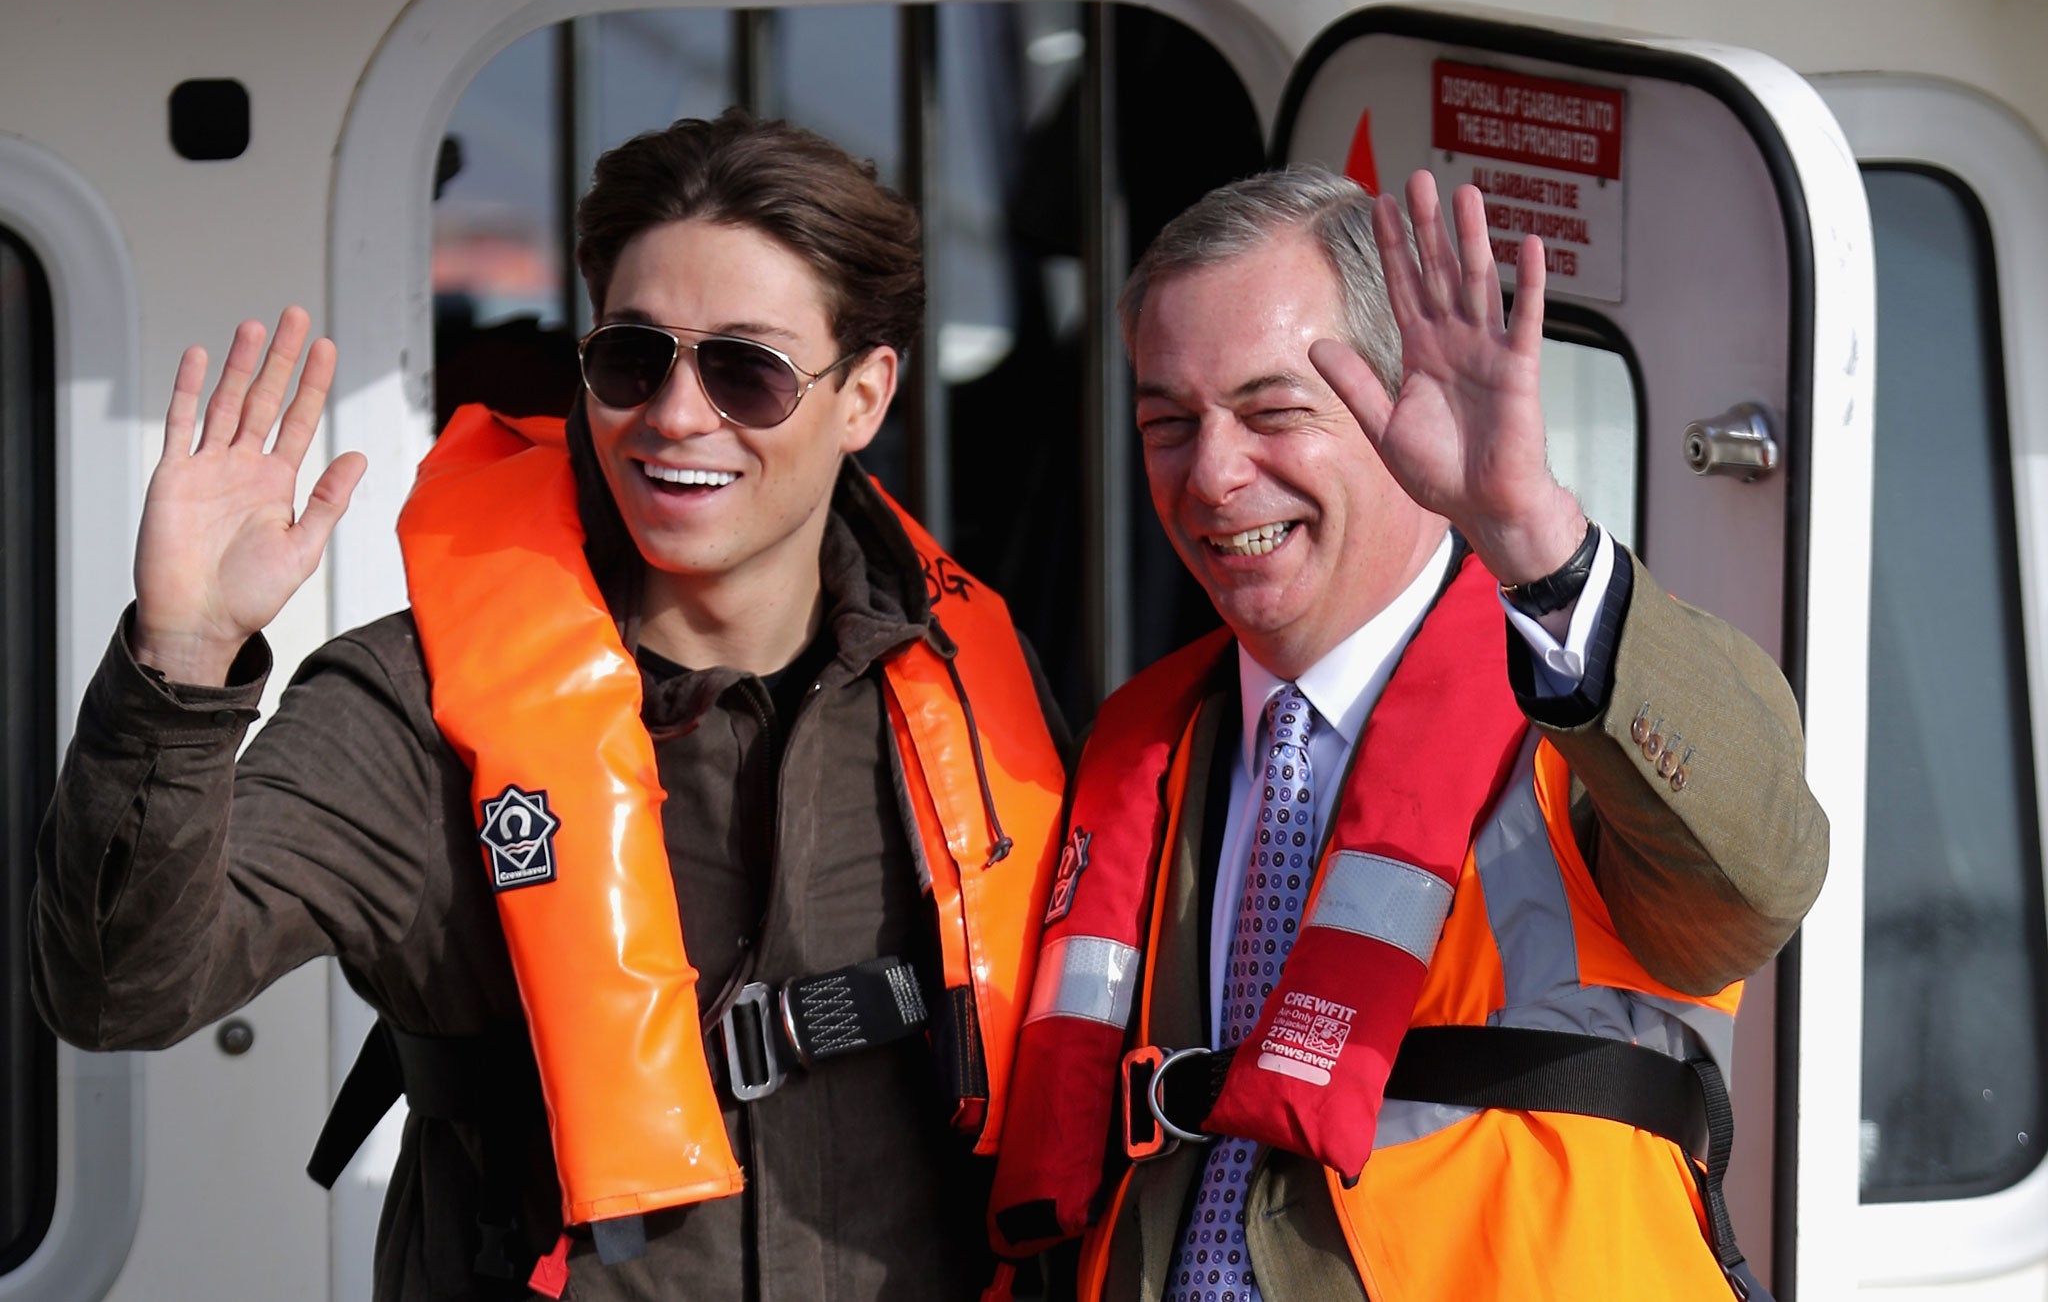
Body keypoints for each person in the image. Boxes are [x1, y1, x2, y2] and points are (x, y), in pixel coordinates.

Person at [32, 110, 1069, 1302]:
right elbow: (118, 990)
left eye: (748, 370)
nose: (676, 415)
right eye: (634, 357)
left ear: (863, 395)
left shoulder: (977, 703)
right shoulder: (418, 711)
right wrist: (182, 653)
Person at [988, 167, 1828, 1300]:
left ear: (1403, 414)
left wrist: (1535, 535)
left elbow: (1758, 871)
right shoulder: (1133, 746)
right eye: (1166, 425)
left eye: (1273, 411)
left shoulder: (1570, 705)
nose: (1213, 473)